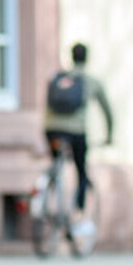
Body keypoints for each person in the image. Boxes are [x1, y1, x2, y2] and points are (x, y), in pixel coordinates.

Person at [42, 42, 113, 212]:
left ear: (72, 57)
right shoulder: (91, 81)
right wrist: (109, 135)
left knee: (56, 162)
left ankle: (49, 193)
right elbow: (108, 111)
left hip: (51, 130)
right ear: (86, 58)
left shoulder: (58, 77)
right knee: (80, 168)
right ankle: (78, 209)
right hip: (75, 132)